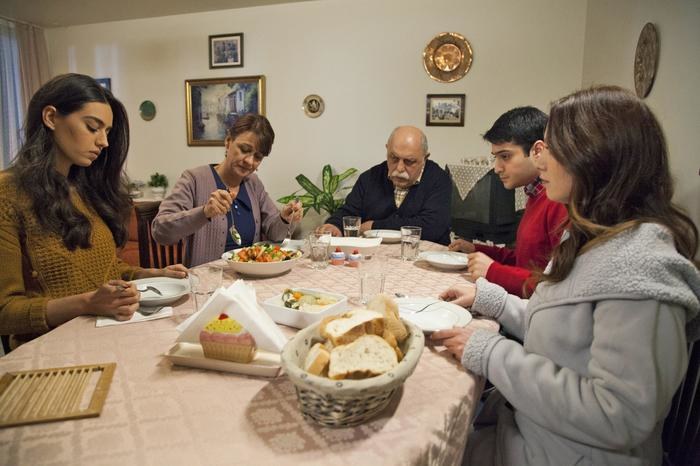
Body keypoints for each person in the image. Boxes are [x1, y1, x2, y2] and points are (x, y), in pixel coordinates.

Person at [432, 86, 700, 466]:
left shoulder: (641, 269)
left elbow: (617, 415)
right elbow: (561, 329)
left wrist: (492, 353)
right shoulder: (590, 237)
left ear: (595, 158)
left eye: (550, 148)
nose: (540, 161)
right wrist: (490, 299)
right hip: (534, 432)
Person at [0, 73, 187, 349]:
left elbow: (107, 270)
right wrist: (87, 303)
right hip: (52, 353)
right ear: (51, 117)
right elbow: (5, 313)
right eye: (92, 127)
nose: (104, 142)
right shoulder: (8, 194)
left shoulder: (87, 190)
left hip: (108, 338)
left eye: (107, 132)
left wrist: (153, 274)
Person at [152, 114, 303, 267]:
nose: (249, 161)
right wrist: (204, 212)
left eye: (258, 157)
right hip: (207, 284)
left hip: (250, 283)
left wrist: (284, 218)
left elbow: (275, 234)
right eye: (244, 149)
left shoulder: (253, 184)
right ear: (228, 141)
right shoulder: (194, 179)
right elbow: (160, 232)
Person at [449, 107, 568, 297]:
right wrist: (478, 249)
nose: (497, 168)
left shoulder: (558, 202)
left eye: (505, 156)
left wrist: (493, 271)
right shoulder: (535, 194)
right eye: (495, 158)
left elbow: (556, 286)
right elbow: (525, 261)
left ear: (537, 151)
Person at [320, 126, 451, 245]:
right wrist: (334, 225)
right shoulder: (370, 177)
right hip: (376, 259)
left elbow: (432, 226)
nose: (399, 168)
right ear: (387, 149)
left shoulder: (439, 180)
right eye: (394, 158)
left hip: (423, 259)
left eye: (409, 161)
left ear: (425, 158)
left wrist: (375, 226)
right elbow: (349, 211)